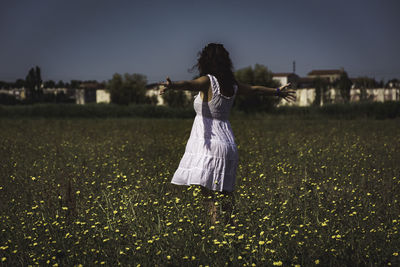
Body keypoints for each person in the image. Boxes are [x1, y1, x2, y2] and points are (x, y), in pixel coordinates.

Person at [156, 43, 295, 224]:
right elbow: (255, 89)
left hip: (209, 144)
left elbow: (190, 84)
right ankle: (229, 228)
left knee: (206, 189)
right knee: (226, 192)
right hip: (228, 144)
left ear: (205, 60)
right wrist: (277, 91)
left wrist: (173, 85)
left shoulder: (207, 81)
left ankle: (217, 228)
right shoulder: (232, 85)